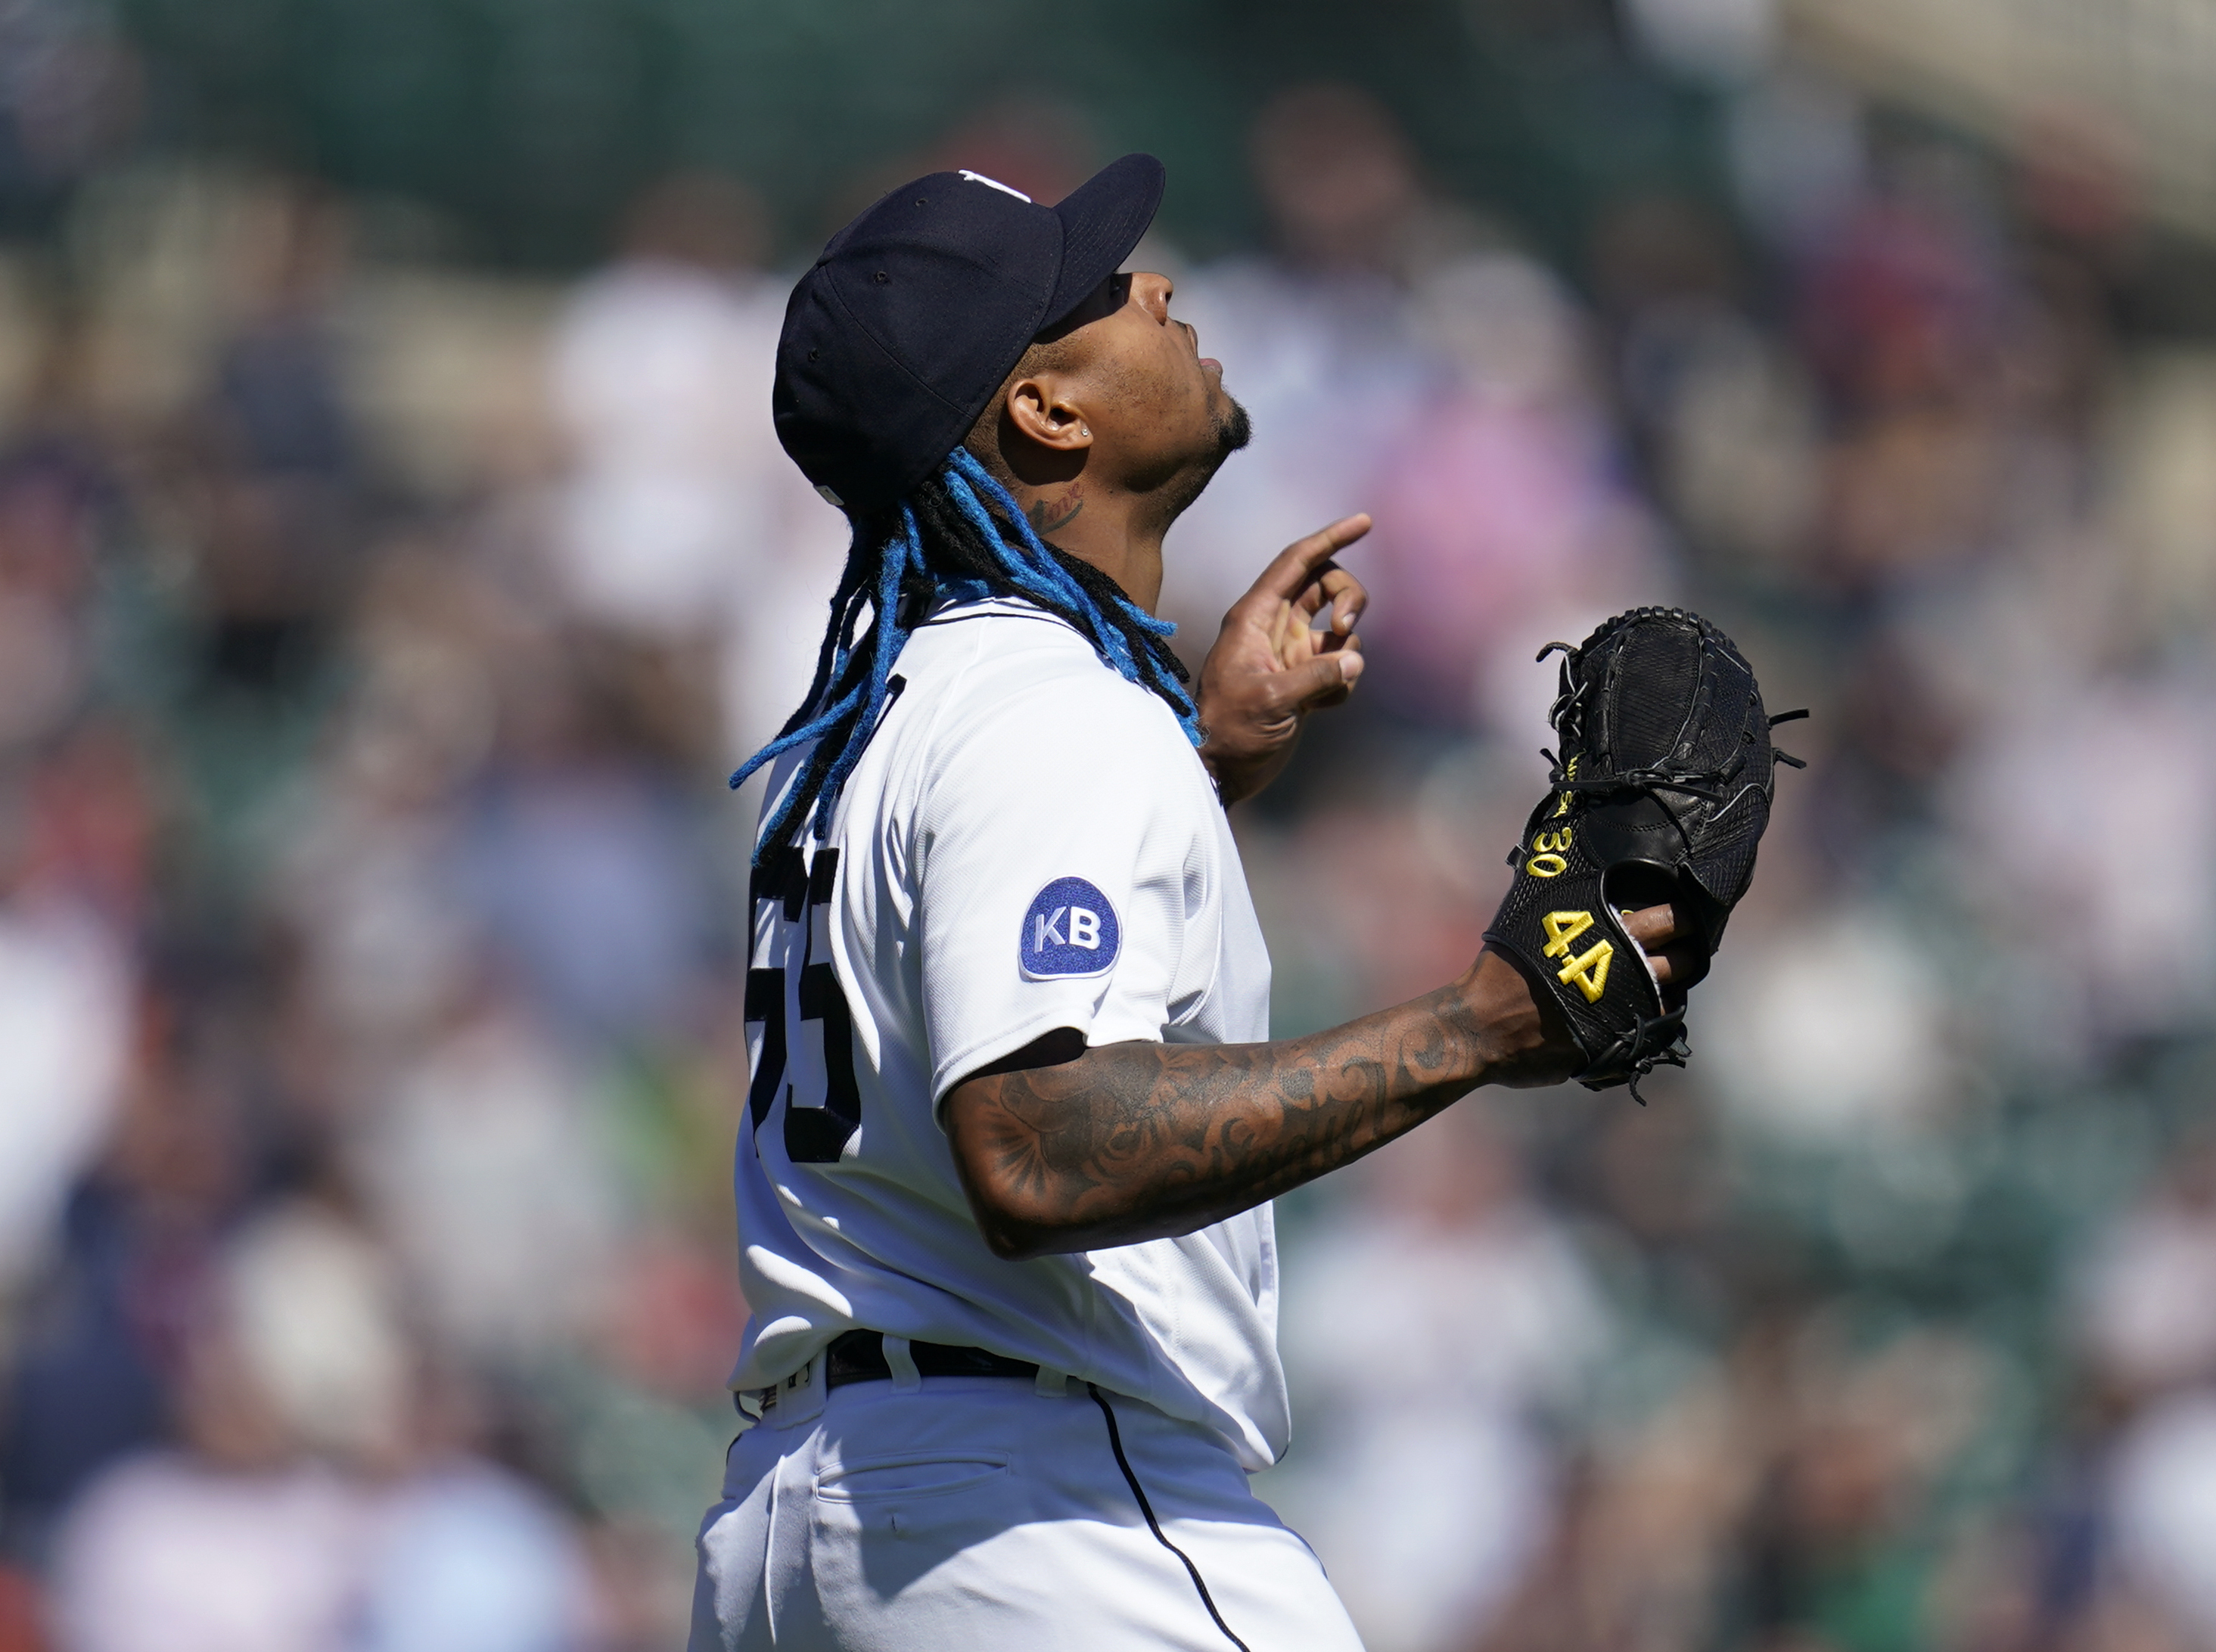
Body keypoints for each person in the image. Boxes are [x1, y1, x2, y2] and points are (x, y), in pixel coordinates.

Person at [687, 154, 1703, 1651]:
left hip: (803, 1536)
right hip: (1039, 1517)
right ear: (1046, 410)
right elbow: (1035, 1148)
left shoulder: (876, 722)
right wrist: (1481, 1027)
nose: (1156, 286)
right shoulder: (1045, 710)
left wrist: (1203, 767)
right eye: (1101, 291)